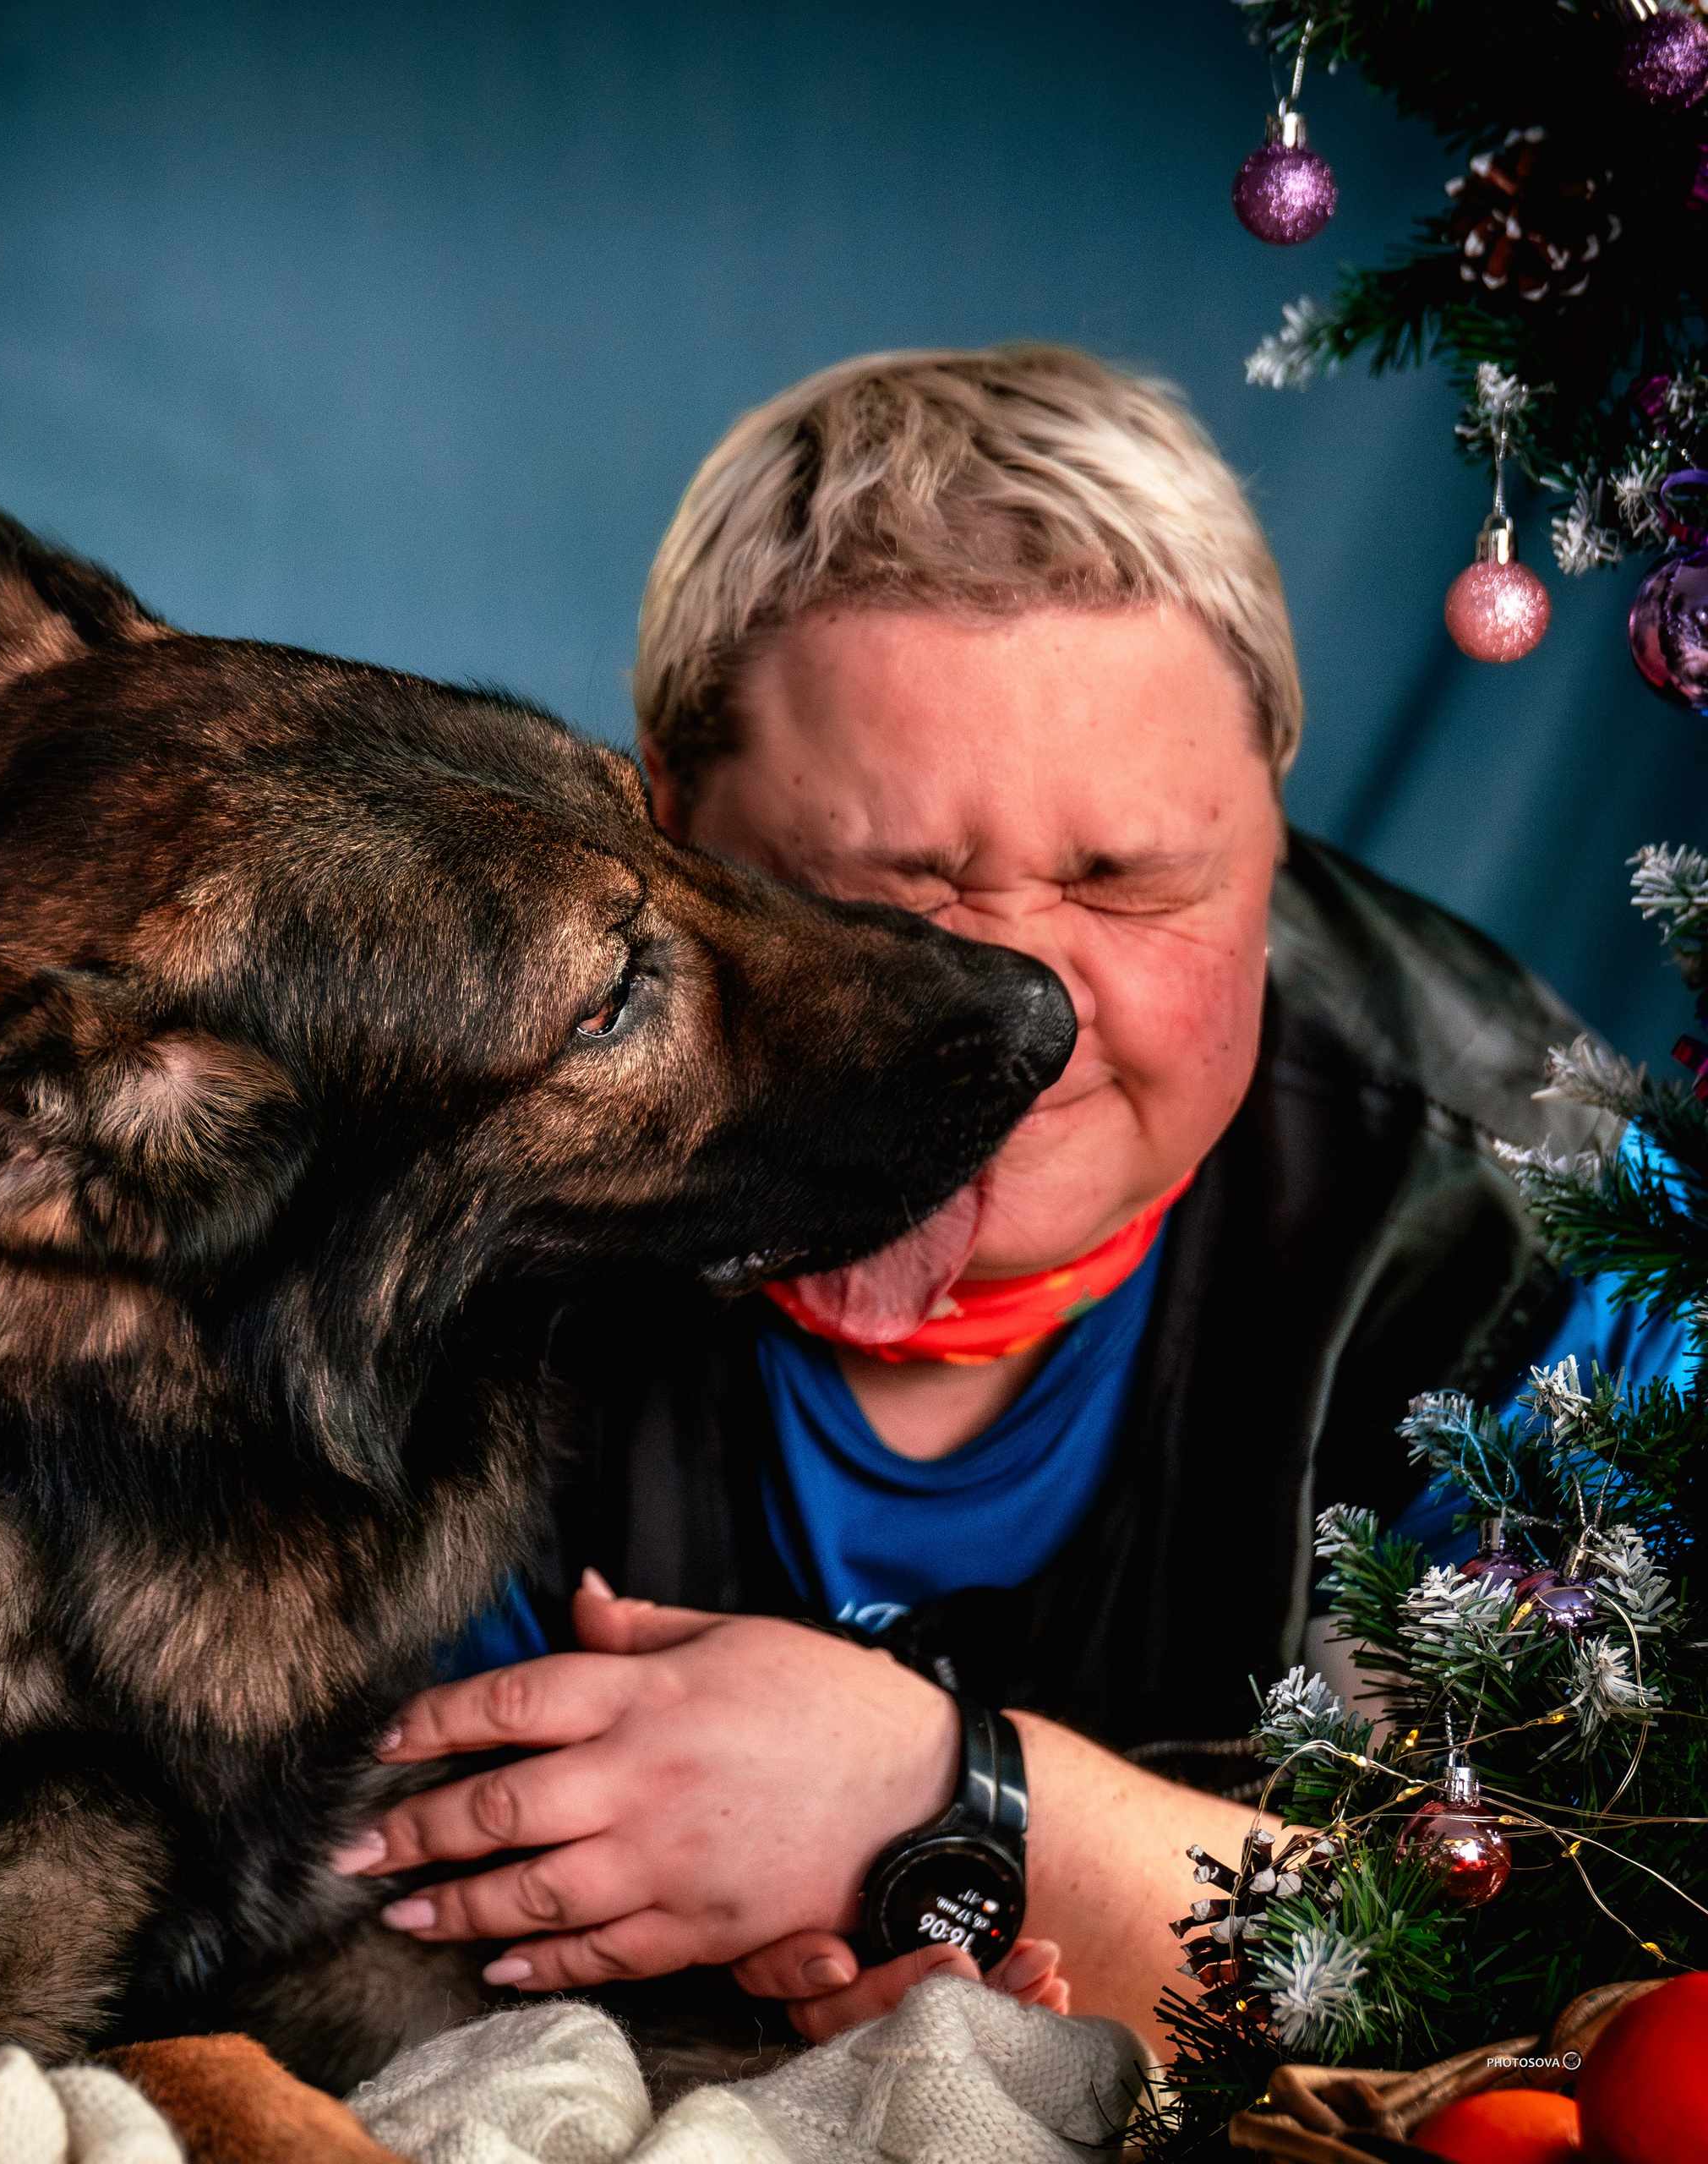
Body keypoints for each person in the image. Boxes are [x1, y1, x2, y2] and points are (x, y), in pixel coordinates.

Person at [328, 347, 1691, 2051]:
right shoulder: (425, 1192)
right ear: (666, 833)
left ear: (1269, 821)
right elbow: (311, 1881)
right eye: (888, 898)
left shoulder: (1538, 1227)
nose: (1021, 1035)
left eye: (1125, 884)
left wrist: (948, 1804)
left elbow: (1630, 1951)